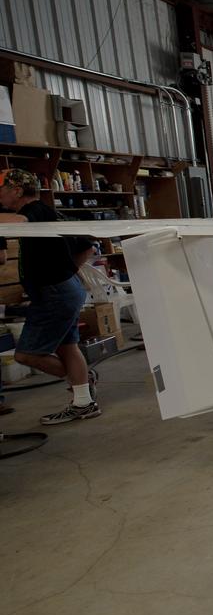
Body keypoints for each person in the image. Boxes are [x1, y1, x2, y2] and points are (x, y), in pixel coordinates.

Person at [0, 169, 98, 425]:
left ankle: (83, 382)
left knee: (26, 355)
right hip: (63, 289)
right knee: (67, 347)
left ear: (17, 191)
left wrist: (60, 279)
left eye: (2, 189)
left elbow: (20, 223)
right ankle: (83, 401)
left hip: (55, 293)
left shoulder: (35, 213)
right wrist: (67, 274)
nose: (0, 195)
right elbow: (86, 246)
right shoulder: (48, 212)